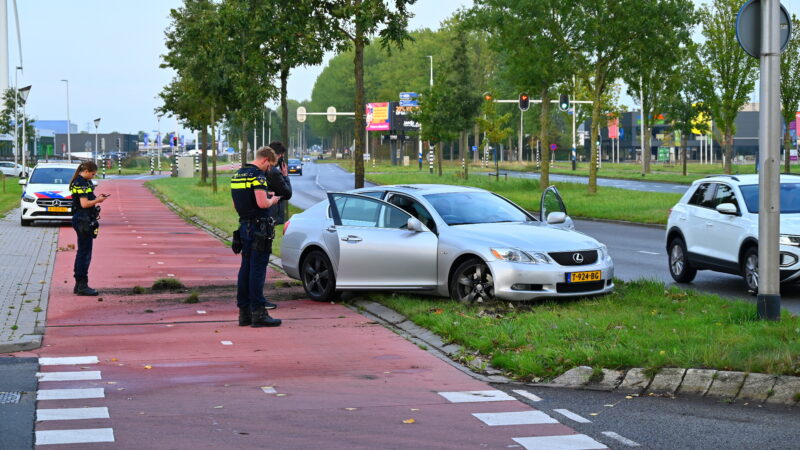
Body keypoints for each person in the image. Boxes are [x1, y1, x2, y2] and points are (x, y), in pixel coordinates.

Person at [231, 146, 288, 327]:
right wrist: (273, 199)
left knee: (245, 269)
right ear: (264, 160)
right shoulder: (258, 176)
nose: (269, 169)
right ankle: (258, 313)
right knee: (257, 270)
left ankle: (244, 313)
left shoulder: (238, 175)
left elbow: (236, 204)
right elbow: (262, 203)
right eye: (269, 165)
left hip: (244, 226)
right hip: (259, 228)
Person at [69, 161, 109, 296]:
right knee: (85, 254)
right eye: (92, 174)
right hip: (83, 219)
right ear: (86, 171)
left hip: (82, 218)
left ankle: (78, 284)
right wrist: (98, 200)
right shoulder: (81, 183)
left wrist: (97, 199)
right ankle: (82, 285)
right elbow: (84, 204)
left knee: (83, 252)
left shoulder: (79, 181)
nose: (93, 176)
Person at [267, 141, 293, 225]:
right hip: (272, 215)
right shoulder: (274, 172)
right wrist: (285, 176)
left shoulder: (263, 168)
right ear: (279, 155)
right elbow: (287, 193)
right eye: (282, 156)